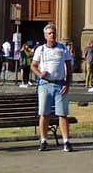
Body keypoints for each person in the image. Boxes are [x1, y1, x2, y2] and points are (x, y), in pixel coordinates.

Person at [31, 23, 74, 152]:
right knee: (44, 113)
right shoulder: (40, 49)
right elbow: (33, 65)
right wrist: (39, 74)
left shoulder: (62, 48)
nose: (52, 35)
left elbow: (69, 67)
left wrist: (67, 83)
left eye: (54, 33)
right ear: (45, 36)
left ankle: (66, 141)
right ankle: (43, 140)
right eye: (49, 33)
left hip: (60, 84)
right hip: (45, 84)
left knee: (63, 113)